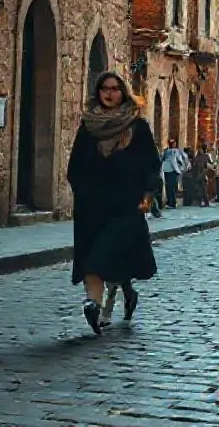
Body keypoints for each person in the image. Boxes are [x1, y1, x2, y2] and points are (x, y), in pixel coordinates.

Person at [67, 71, 159, 335]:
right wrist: (82, 192)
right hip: (91, 207)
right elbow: (76, 167)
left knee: (111, 257)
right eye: (105, 89)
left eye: (115, 89)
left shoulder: (138, 127)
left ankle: (127, 295)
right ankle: (93, 305)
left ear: (123, 93)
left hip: (125, 206)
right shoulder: (88, 127)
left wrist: (147, 193)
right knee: (90, 257)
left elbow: (150, 163)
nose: (109, 93)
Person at [159, 138, 187, 209]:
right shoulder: (176, 151)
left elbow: (162, 160)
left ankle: (172, 203)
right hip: (172, 170)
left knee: (169, 187)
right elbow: (183, 158)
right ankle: (171, 203)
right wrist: (180, 167)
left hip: (168, 170)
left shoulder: (167, 151)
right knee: (171, 187)